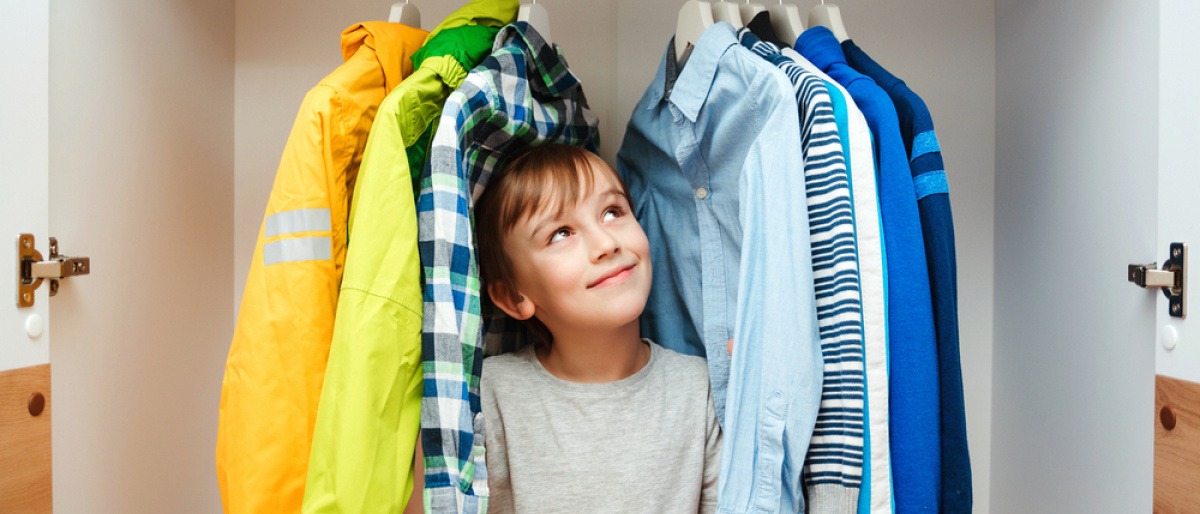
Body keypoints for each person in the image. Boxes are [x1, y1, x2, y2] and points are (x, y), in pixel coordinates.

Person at [474, 144, 721, 513]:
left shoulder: (699, 389)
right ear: (513, 297)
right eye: (561, 233)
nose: (606, 243)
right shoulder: (489, 395)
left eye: (612, 212)